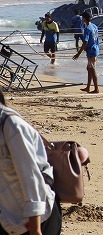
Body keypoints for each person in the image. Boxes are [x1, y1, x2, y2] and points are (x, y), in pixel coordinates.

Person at [0, 89, 62, 235]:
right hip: (7, 220)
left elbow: (31, 177)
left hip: (37, 220)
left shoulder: (11, 124)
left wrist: (36, 229)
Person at [73, 11, 100, 93]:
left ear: (84, 18)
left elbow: (85, 42)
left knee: (92, 69)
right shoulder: (94, 26)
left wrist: (78, 53)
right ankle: (88, 87)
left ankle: (96, 88)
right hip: (95, 48)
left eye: (82, 17)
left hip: (92, 51)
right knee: (89, 68)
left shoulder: (87, 29)